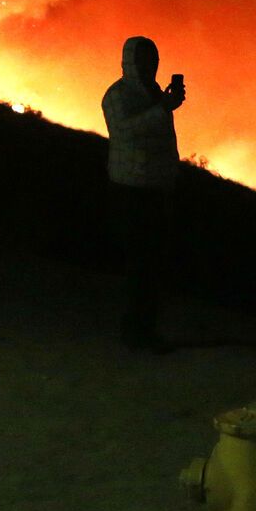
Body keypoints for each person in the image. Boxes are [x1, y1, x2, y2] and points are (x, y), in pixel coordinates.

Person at [102, 36, 186, 351]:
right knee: (140, 264)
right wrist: (162, 108)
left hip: (154, 190)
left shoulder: (151, 93)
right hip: (131, 192)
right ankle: (135, 333)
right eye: (144, 59)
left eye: (153, 59)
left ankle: (144, 330)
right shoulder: (117, 95)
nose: (150, 65)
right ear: (131, 62)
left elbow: (160, 139)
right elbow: (124, 130)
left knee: (152, 265)